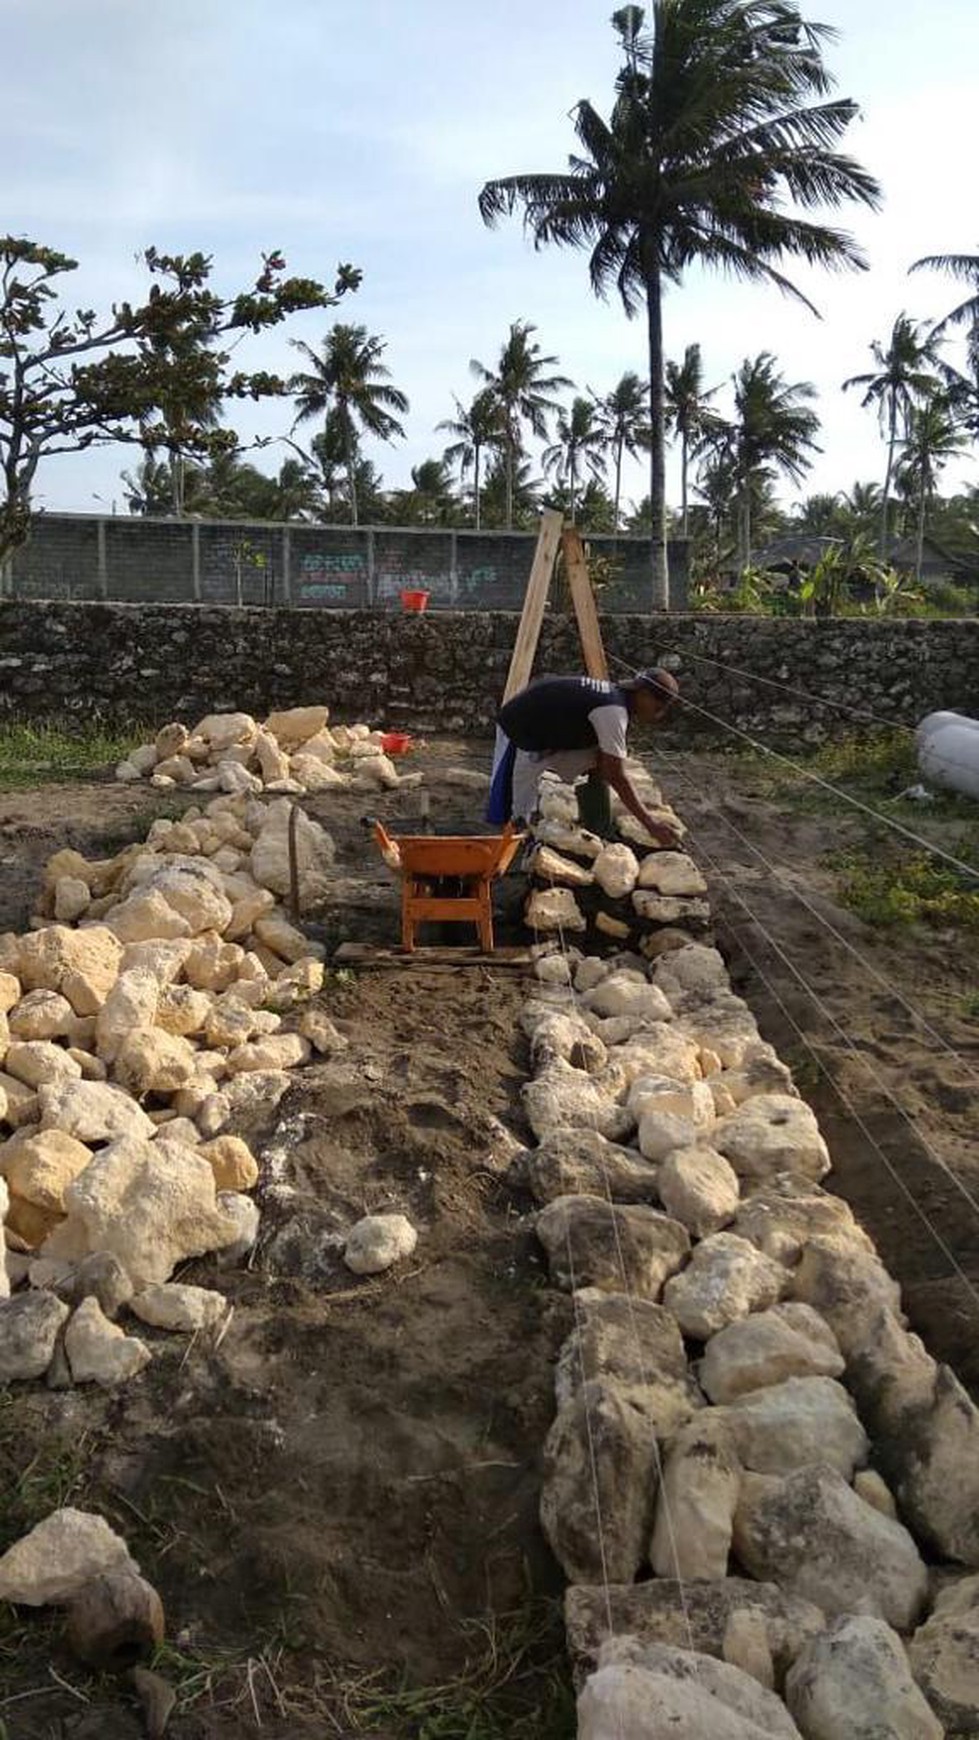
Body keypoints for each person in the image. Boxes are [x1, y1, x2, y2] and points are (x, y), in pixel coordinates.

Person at [488, 668, 680, 844]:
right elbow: (616, 775)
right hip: (520, 729)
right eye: (658, 708)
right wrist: (650, 824)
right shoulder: (612, 711)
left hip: (545, 731)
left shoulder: (614, 697)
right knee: (515, 811)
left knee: (601, 759)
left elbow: (608, 763)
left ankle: (596, 825)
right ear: (644, 695)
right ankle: (511, 842)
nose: (658, 715)